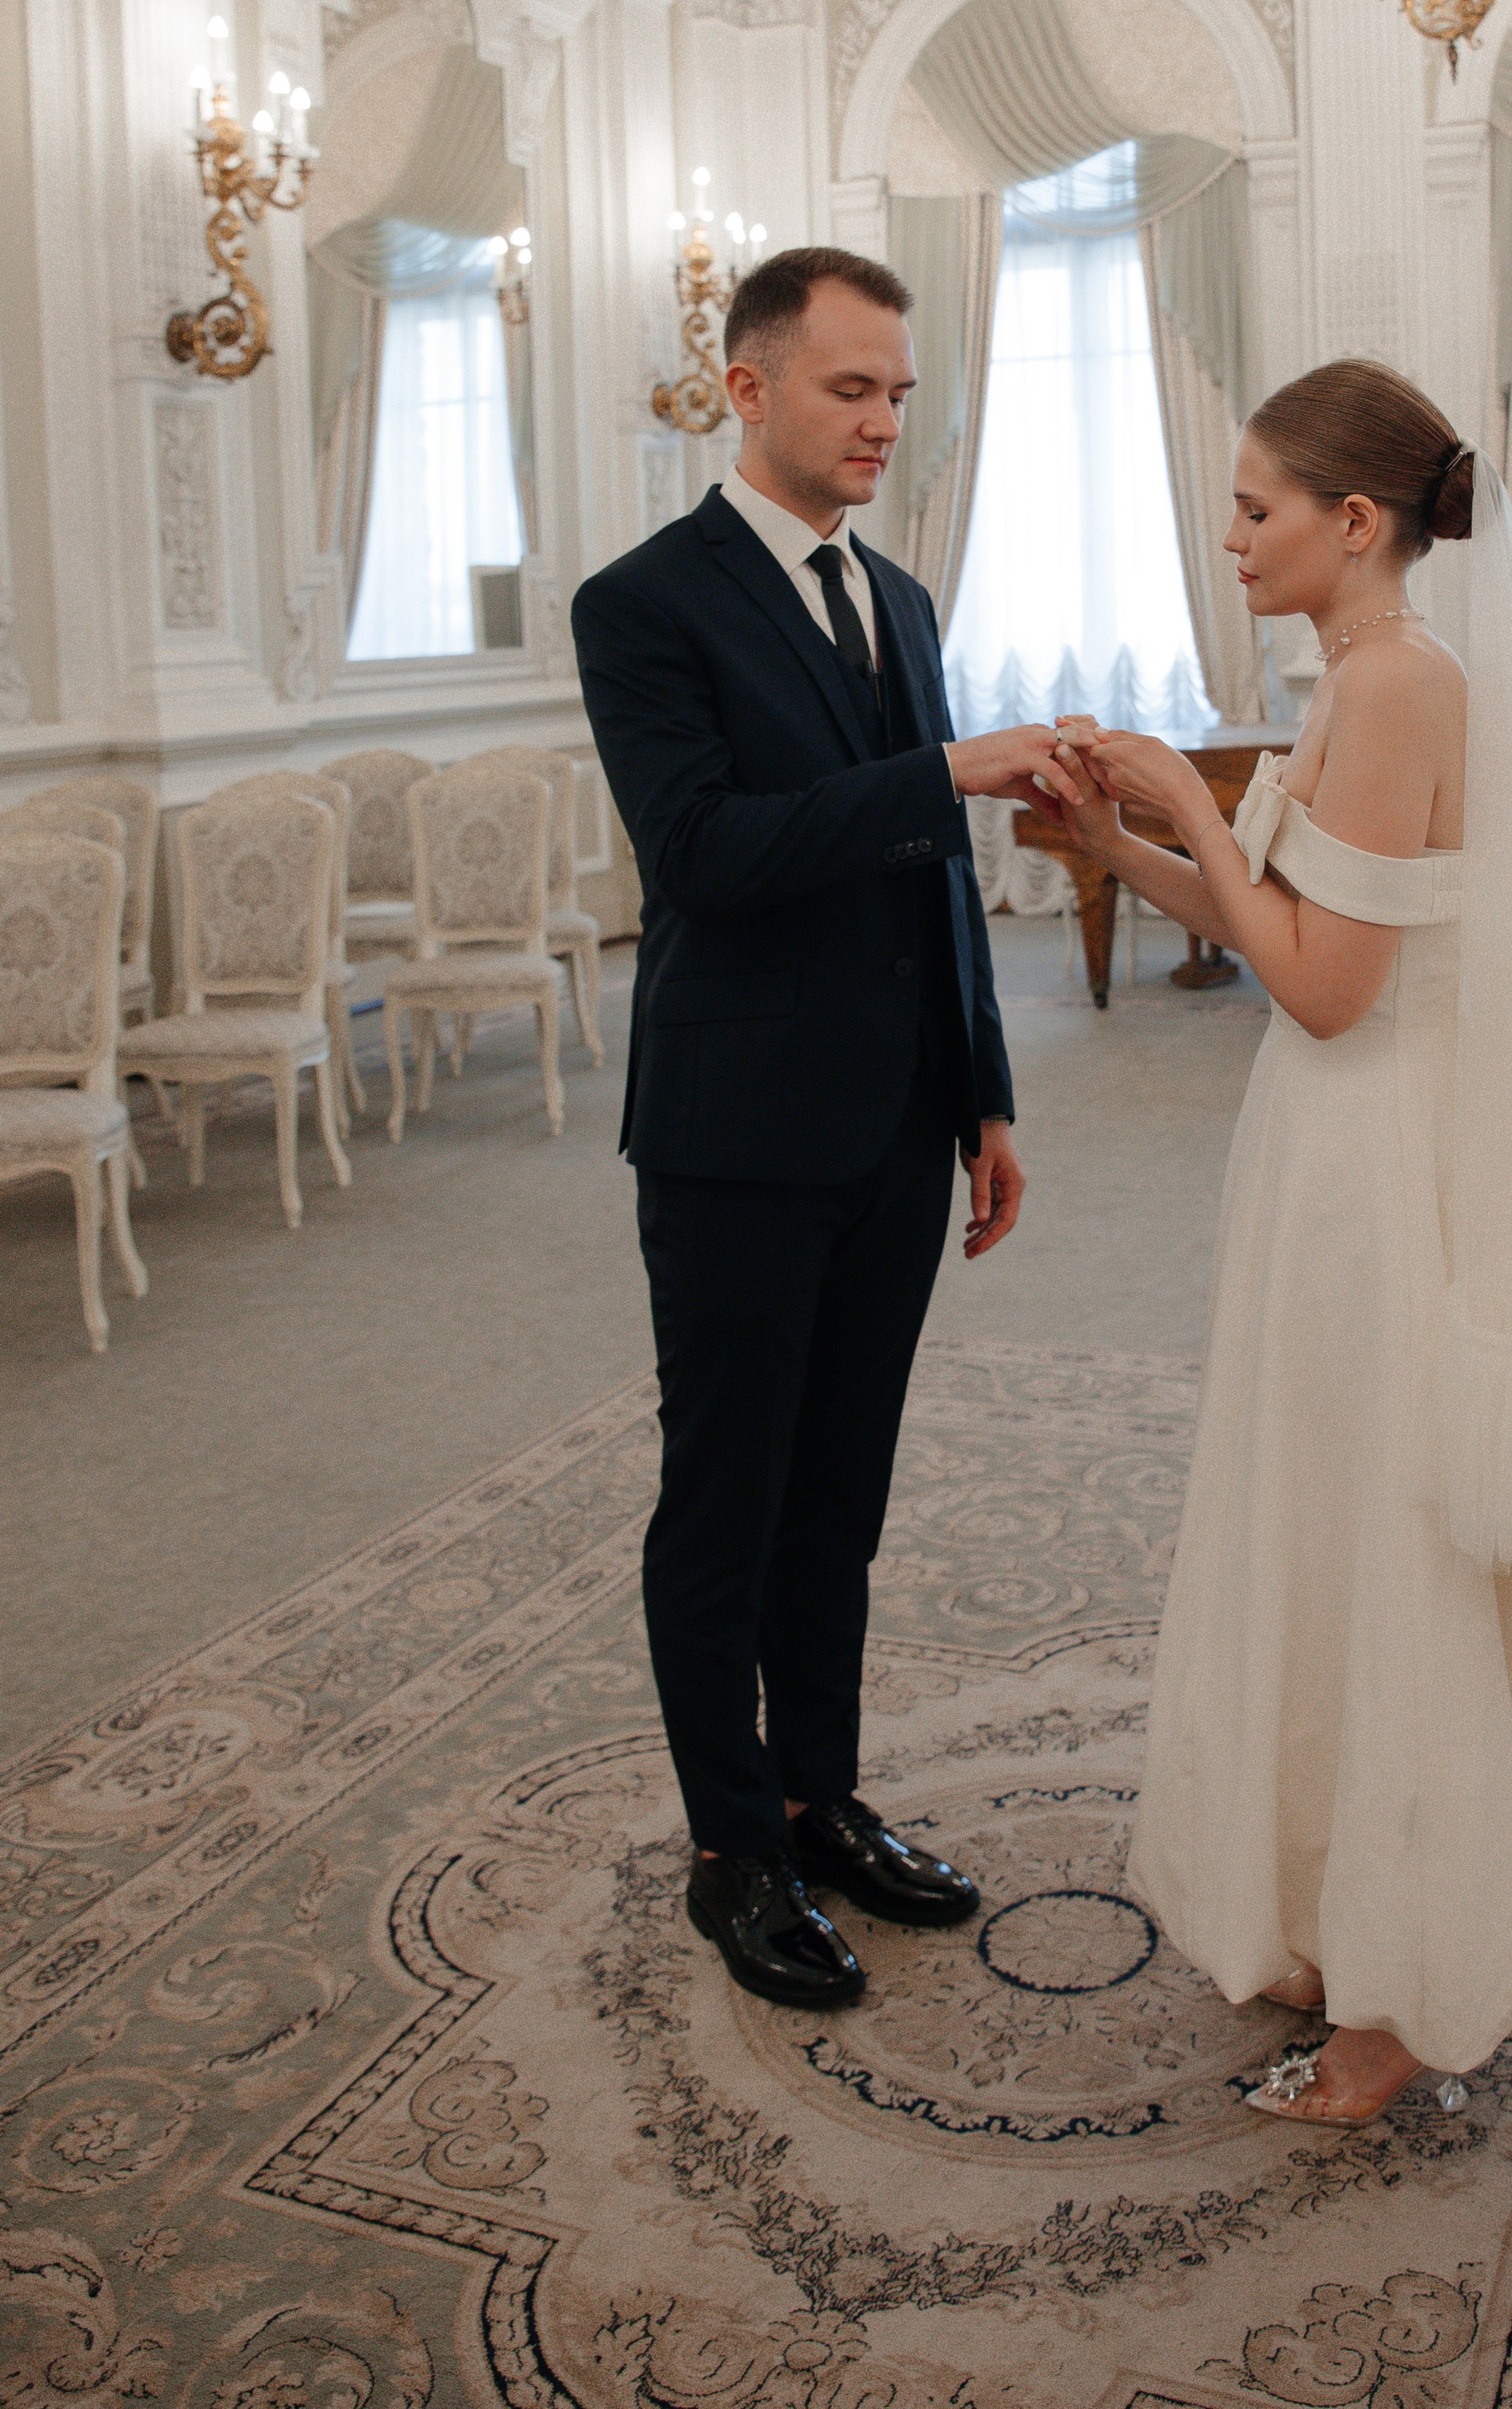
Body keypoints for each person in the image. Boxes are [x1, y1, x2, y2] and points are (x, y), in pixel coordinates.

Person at [1054, 357, 1512, 2126]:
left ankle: (1398, 1997)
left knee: (1384, 1551)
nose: (1226, 534)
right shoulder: (1355, 679)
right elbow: (1291, 919)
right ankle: (1333, 1921)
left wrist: (1188, 801)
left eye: (1254, 507)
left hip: (1380, 1168)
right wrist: (1121, 840)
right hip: (1326, 1162)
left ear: (1353, 522)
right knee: (1320, 1524)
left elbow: (1318, 989)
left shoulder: (1394, 686)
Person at [572, 246, 1081, 2014]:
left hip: (891, 1129)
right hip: (730, 1133)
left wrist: (984, 1092)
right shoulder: (639, 604)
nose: (882, 422)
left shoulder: (905, 604)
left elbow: (932, 879)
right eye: (850, 389)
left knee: (840, 1500)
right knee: (728, 1501)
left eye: (896, 394)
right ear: (751, 387)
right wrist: (944, 771)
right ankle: (733, 1852)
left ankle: (820, 1794)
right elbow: (705, 854)